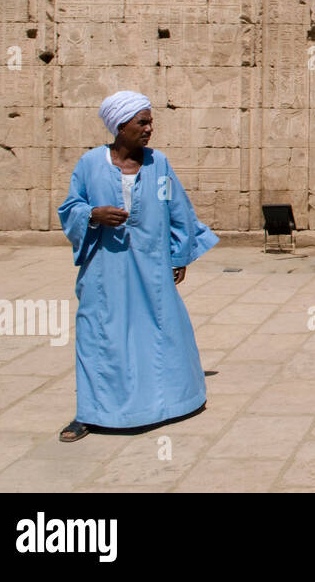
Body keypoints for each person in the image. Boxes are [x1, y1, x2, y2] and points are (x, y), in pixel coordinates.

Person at [56, 91, 218, 442]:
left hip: (152, 266)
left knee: (158, 333)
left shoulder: (158, 164)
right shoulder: (90, 164)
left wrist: (179, 256)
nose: (149, 128)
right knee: (99, 337)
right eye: (142, 122)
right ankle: (90, 413)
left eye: (150, 121)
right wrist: (93, 215)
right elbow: (70, 210)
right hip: (105, 270)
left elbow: (179, 210)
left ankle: (171, 402)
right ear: (120, 126)